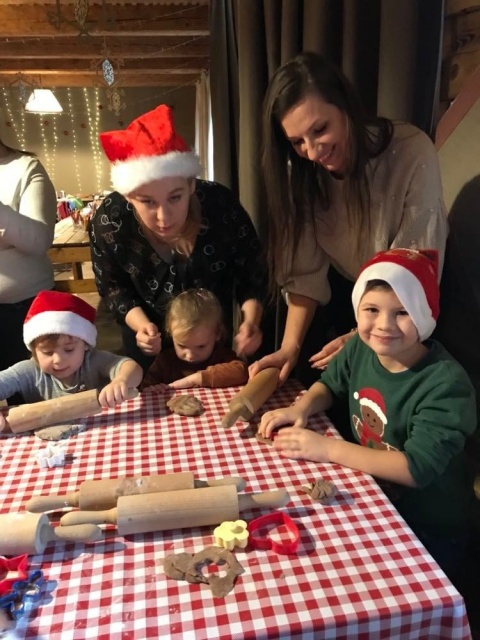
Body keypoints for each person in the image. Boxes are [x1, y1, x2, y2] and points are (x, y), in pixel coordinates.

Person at [258, 248, 477, 580]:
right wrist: (301, 407)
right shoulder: (361, 347)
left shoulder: (446, 385)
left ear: (423, 315)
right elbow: (331, 384)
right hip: (378, 501)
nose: (384, 325)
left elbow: (416, 468)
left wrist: (327, 448)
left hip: (431, 523)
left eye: (402, 312)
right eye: (372, 310)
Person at [249, 52, 448, 386]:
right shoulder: (301, 173)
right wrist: (289, 348)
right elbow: (305, 275)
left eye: (320, 129)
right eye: (297, 142)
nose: (313, 152)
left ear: (345, 105)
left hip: (407, 311)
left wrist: (362, 335)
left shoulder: (411, 151)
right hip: (352, 301)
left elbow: (413, 274)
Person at [90, 104, 266, 374]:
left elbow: (251, 272)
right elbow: (114, 288)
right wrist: (141, 326)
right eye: (148, 201)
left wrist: (251, 321)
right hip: (147, 343)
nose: (164, 217)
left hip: (211, 341)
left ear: (191, 185)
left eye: (175, 197)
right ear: (128, 196)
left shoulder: (220, 205)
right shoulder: (111, 220)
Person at [0, 290, 143, 425]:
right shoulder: (30, 371)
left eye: (69, 350)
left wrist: (121, 380)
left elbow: (131, 367)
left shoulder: (93, 361)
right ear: (34, 351)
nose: (58, 360)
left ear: (86, 344)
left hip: (99, 431)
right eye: (47, 352)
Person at [0, 135, 57, 378]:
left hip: (24, 310)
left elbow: (38, 240)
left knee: (33, 392)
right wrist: (11, 237)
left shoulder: (25, 168)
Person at [141, 288, 248, 390]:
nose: (190, 356)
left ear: (217, 334)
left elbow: (242, 371)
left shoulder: (220, 355)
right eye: (182, 346)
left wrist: (197, 379)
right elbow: (145, 388)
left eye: (201, 346)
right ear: (170, 332)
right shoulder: (164, 362)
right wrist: (152, 389)